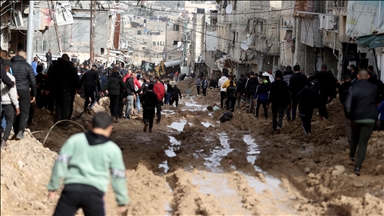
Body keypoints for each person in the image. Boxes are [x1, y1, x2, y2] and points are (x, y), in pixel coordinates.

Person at [47, 112, 129, 215]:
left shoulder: (75, 140)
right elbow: (118, 176)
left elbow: (60, 163)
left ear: (90, 125)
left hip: (71, 190)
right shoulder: (113, 149)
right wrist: (121, 201)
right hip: (94, 194)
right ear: (110, 129)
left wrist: (53, 187)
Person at [344, 70, 378, 176]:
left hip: (356, 118)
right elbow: (377, 102)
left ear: (358, 76)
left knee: (354, 136)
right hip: (369, 119)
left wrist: (349, 116)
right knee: (363, 142)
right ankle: (358, 167)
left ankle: (351, 156)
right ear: (368, 76)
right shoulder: (374, 88)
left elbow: (347, 104)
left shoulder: (353, 88)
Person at [48, 54, 79, 129]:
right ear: (68, 59)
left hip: (56, 90)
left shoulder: (55, 66)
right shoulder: (70, 67)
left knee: (58, 105)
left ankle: (59, 120)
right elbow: (75, 78)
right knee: (66, 106)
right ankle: (65, 123)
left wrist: (50, 88)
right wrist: (77, 87)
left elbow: (50, 77)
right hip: (67, 90)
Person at [11, 50, 37, 140]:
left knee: (13, 110)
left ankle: (14, 130)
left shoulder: (10, 64)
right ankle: (21, 131)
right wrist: (34, 94)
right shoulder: (27, 66)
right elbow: (33, 81)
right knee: (24, 111)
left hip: (12, 91)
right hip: (24, 91)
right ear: (24, 57)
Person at [1, 60, 20, 148]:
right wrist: (17, 106)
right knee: (10, 120)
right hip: (7, 103)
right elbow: (13, 94)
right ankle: (4, 140)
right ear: (8, 68)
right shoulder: (10, 78)